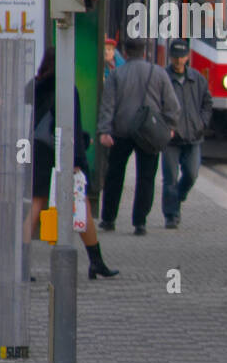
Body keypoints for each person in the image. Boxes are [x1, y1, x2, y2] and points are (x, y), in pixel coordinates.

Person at [24, 47, 118, 279]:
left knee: (36, 204)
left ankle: (22, 264)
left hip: (35, 150)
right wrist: (76, 160)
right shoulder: (67, 89)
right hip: (59, 152)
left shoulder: (32, 87)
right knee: (80, 202)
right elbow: (71, 127)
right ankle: (96, 261)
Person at [98, 37, 180, 235]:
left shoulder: (116, 74)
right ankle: (140, 222)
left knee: (114, 176)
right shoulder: (158, 73)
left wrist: (104, 130)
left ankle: (108, 219)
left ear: (125, 53)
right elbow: (172, 105)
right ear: (144, 52)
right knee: (146, 177)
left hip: (121, 131)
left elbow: (107, 105)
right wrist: (170, 126)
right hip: (149, 133)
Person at [161, 39, 212, 228]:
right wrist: (165, 128)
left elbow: (207, 103)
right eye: (175, 57)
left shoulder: (197, 79)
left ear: (187, 57)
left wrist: (202, 123)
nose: (178, 60)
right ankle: (171, 216)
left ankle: (178, 197)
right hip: (170, 139)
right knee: (170, 179)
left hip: (193, 136)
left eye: (182, 57)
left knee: (191, 174)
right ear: (170, 57)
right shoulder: (163, 77)